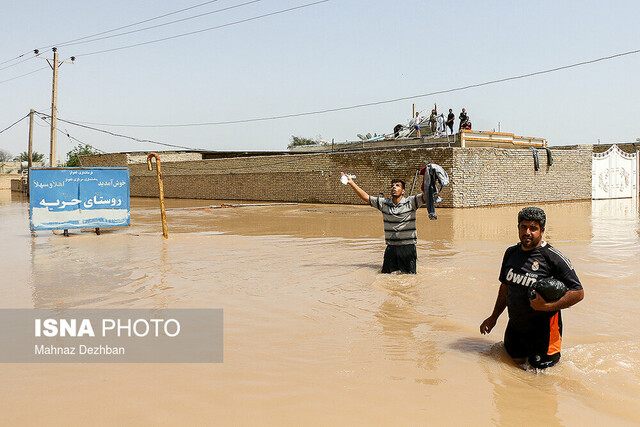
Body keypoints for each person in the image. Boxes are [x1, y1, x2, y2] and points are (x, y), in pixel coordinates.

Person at [480, 207, 584, 369]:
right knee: (511, 372)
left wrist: (548, 306)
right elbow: (505, 287)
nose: (527, 232)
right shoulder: (511, 253)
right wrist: (493, 317)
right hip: (515, 328)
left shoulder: (553, 258)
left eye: (533, 228)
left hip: (545, 335)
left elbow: (578, 293)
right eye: (523, 227)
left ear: (542, 230)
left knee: (542, 381)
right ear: (518, 228)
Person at [342, 173, 425, 274]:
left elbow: (426, 196)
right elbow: (366, 197)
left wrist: (427, 178)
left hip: (408, 247)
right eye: (392, 185)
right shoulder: (384, 203)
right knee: (386, 276)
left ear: (403, 191)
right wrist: (351, 183)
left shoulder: (411, 202)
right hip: (391, 248)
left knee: (409, 278)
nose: (394, 187)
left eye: (397, 185)